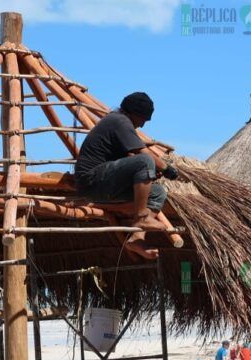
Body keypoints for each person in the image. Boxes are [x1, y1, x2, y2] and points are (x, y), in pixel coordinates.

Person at [74, 92, 179, 260]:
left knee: (157, 192)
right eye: (143, 119)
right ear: (134, 113)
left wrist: (150, 174)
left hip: (105, 184)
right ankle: (142, 217)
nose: (143, 125)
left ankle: (137, 237)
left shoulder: (119, 123)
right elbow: (142, 154)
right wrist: (167, 168)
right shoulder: (119, 121)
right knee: (145, 161)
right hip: (91, 180)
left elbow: (130, 159)